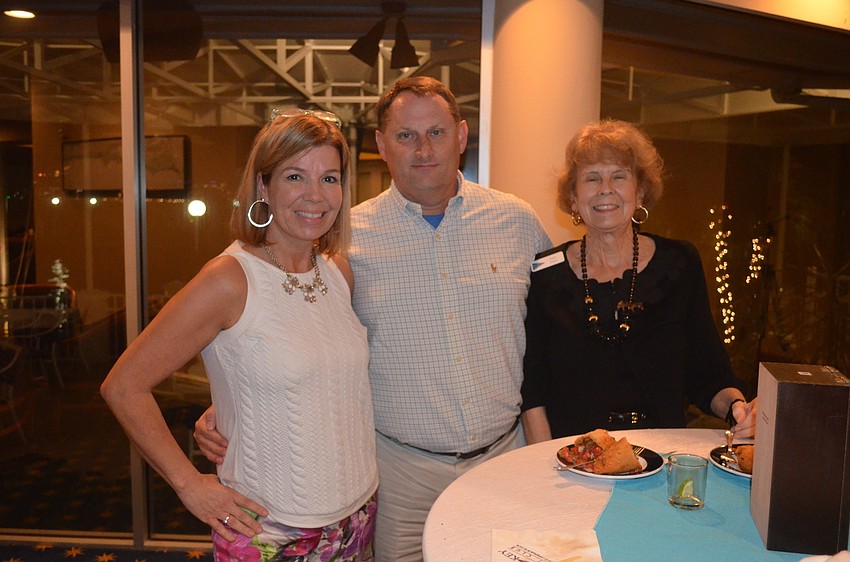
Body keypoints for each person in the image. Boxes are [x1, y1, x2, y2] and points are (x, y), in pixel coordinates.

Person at [194, 77, 552, 562]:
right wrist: (229, 402)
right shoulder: (340, 242)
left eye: (437, 132)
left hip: (504, 458)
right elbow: (283, 333)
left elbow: (556, 337)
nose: (423, 149)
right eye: (405, 135)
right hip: (396, 470)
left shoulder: (518, 222)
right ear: (383, 145)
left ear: (462, 136)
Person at [101, 110, 378, 561]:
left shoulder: (337, 272)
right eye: (295, 176)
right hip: (270, 526)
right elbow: (124, 386)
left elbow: (318, 378)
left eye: (329, 178)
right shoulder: (229, 279)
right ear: (264, 186)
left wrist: (231, 403)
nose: (315, 195)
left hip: (356, 512)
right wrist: (190, 485)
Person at [520, 118, 757, 445]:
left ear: (641, 191)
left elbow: (709, 374)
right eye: (591, 178)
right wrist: (545, 464)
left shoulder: (680, 263)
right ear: (573, 199)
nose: (606, 188)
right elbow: (533, 391)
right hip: (573, 463)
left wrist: (737, 409)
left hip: (661, 459)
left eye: (619, 176)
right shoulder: (546, 274)